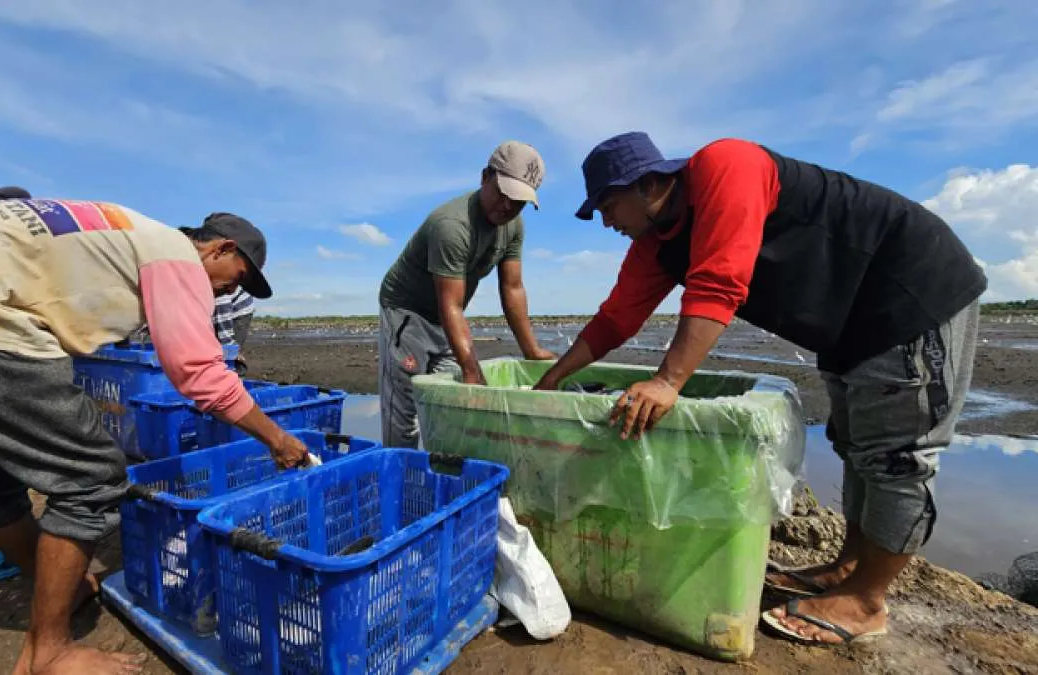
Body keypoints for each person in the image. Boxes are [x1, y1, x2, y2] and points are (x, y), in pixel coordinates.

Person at [533, 132, 986, 646]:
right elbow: (615, 319)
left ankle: (866, 600)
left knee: (895, 457)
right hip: (848, 323)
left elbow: (719, 283)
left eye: (609, 206)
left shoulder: (727, 165)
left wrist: (667, 381)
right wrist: (554, 377)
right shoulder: (655, 243)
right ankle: (847, 569)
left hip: (910, 292)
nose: (607, 222)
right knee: (858, 446)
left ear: (650, 184)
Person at [0, 200, 310, 674]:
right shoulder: (176, 256)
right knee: (93, 476)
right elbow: (200, 373)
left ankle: (64, 585)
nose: (233, 288)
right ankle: (50, 650)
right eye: (239, 274)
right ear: (221, 248)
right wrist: (278, 440)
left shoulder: (132, 234)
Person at [378, 140, 557, 447]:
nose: (508, 207)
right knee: (404, 407)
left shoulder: (513, 226)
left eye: (519, 202)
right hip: (408, 313)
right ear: (486, 177)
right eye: (504, 194)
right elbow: (451, 303)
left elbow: (512, 288)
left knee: (451, 402)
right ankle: (399, 477)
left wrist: (531, 350)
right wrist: (472, 370)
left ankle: (443, 475)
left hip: (447, 318)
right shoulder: (452, 226)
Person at [129, 212, 258, 373]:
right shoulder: (179, 265)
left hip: (237, 310)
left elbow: (222, 307)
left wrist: (228, 346)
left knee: (224, 358)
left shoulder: (213, 278)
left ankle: (233, 377)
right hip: (213, 305)